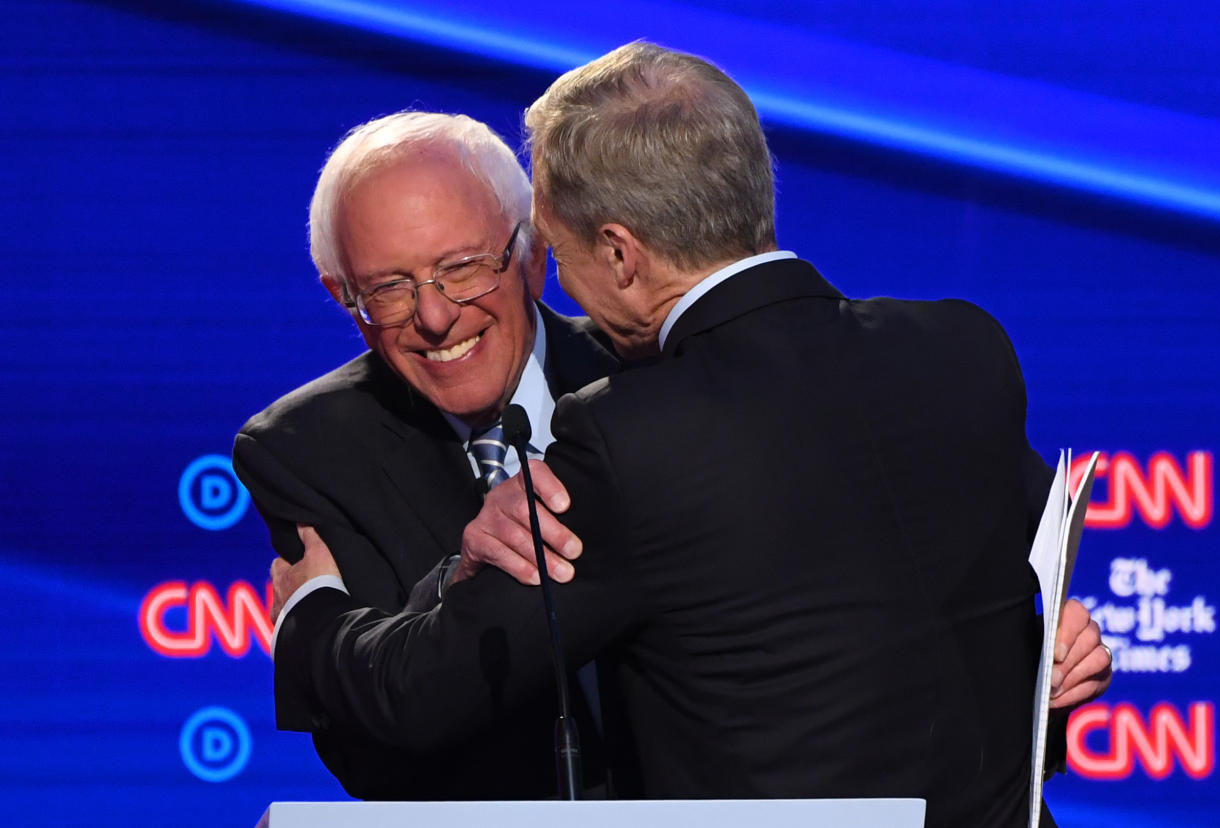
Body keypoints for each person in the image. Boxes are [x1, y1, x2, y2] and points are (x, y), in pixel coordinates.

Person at [268, 43, 1111, 824]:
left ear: (621, 255)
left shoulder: (628, 438)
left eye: (556, 253)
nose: (555, 281)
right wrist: (1051, 660)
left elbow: (421, 687)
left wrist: (312, 612)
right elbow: (969, 619)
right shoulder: (962, 347)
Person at [232, 111, 617, 799]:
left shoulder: (646, 379)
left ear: (532, 254)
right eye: (388, 288)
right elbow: (371, 752)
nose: (434, 317)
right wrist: (452, 585)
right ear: (344, 299)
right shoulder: (304, 451)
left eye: (460, 269)